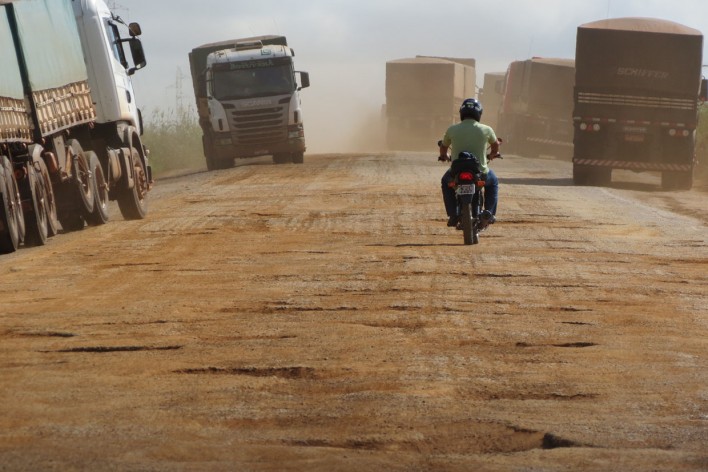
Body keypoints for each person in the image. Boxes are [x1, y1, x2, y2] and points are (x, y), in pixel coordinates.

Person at [438, 98, 501, 227]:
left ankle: (453, 215)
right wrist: (493, 154)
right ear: (479, 114)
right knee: (493, 182)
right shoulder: (487, 129)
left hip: (456, 172)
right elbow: (495, 146)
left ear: (461, 112)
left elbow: (443, 147)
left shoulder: (452, 129)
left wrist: (443, 156)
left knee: (446, 182)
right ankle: (488, 212)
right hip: (480, 173)